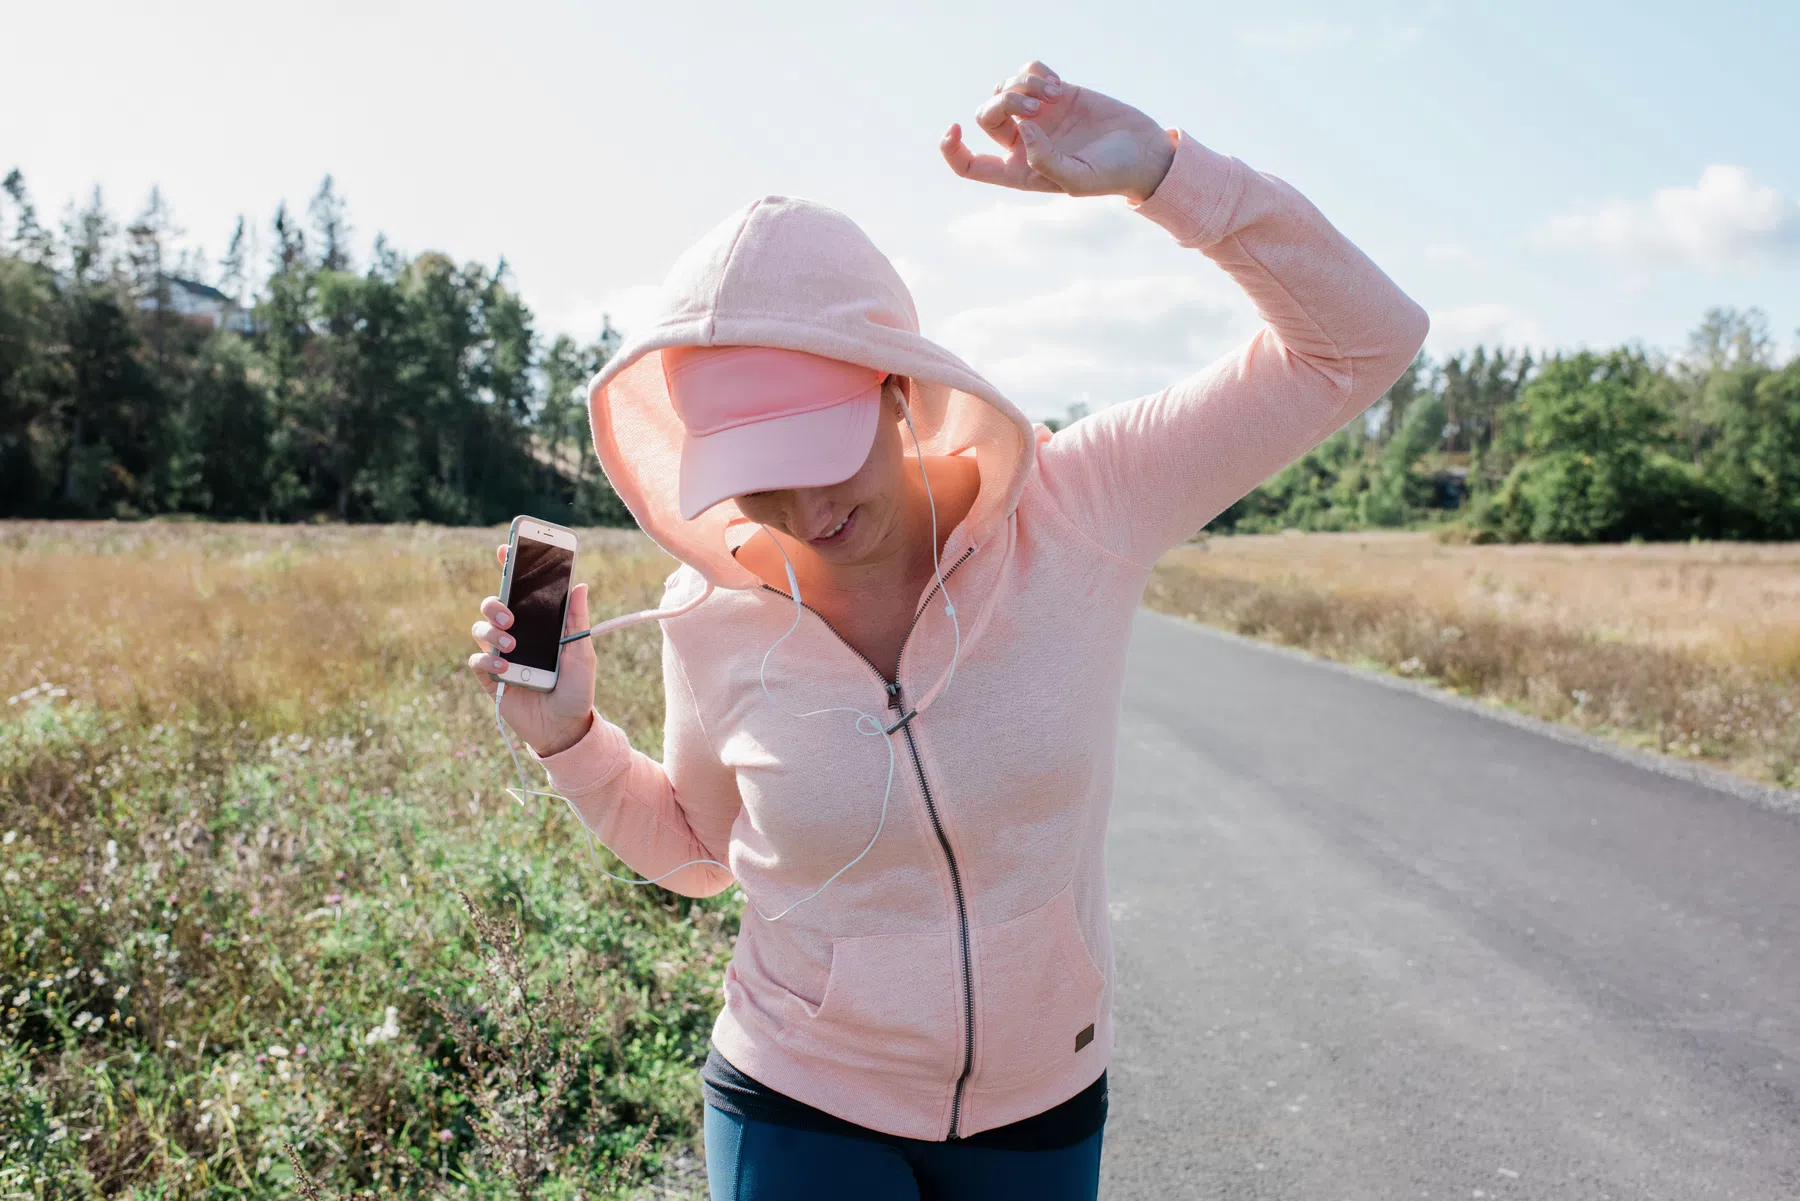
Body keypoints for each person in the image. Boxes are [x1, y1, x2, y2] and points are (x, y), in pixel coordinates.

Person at [467, 58, 1428, 1201]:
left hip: (1040, 1100)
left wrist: (1165, 175)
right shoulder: (705, 612)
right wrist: (569, 743)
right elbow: (701, 853)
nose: (803, 510)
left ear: (896, 387)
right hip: (797, 1094)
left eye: (821, 453)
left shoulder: (1081, 507)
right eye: (755, 477)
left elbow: (1361, 341)